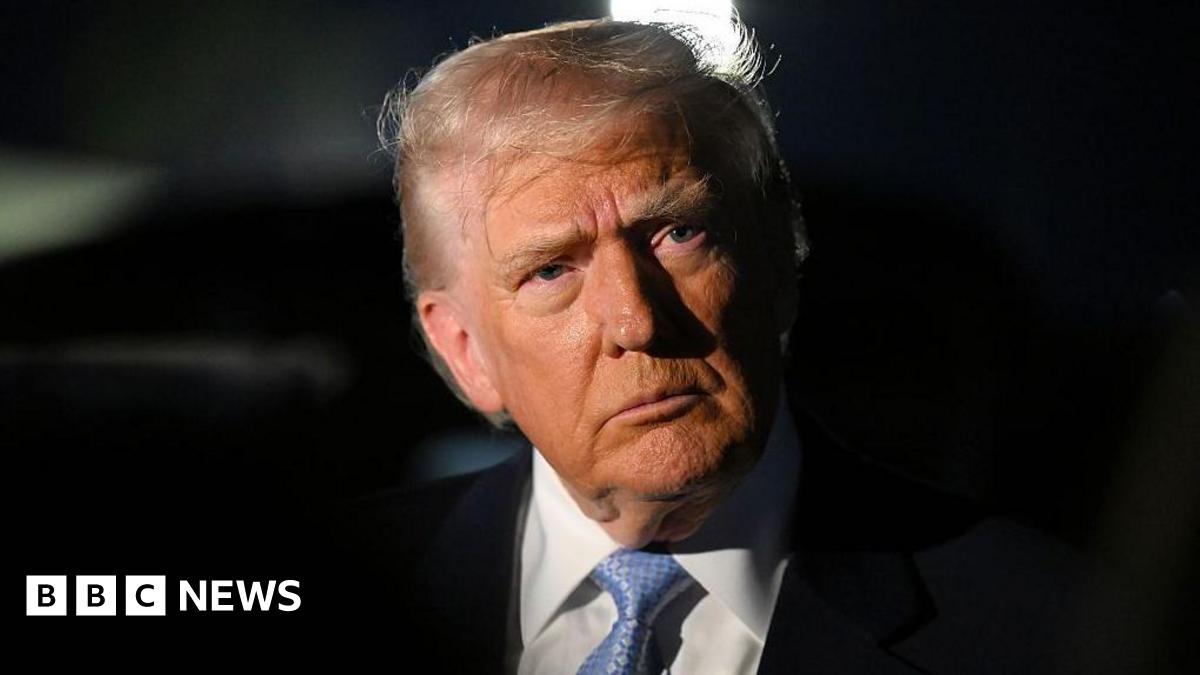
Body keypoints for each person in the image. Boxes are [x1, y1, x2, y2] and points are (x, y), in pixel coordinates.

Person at [325, 17, 1130, 674]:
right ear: (465, 350)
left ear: (781, 254)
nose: (636, 321)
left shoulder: (1066, 631)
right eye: (550, 271)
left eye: (678, 233)